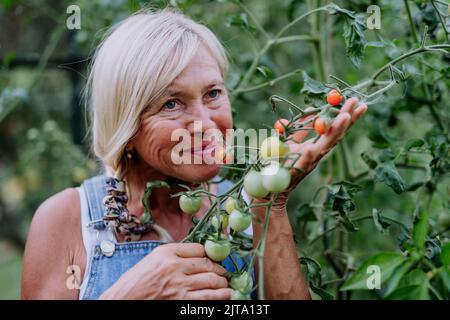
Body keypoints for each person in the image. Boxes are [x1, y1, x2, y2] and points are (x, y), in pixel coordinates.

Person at [21, 8, 367, 300]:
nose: (205, 122)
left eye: (213, 93)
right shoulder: (68, 220)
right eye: (172, 103)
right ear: (125, 128)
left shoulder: (242, 209)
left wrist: (271, 204)